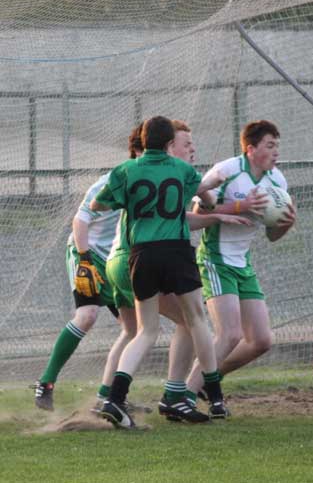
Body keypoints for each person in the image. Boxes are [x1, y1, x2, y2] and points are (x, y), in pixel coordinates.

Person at [95, 119, 250, 423]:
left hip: (140, 254)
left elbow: (101, 205)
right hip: (176, 250)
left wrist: (131, 200)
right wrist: (216, 198)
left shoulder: (126, 170)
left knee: (145, 331)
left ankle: (114, 398)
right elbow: (205, 196)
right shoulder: (181, 170)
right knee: (197, 321)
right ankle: (215, 398)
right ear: (169, 145)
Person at [184, 120, 296, 408]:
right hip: (215, 259)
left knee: (261, 340)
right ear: (250, 149)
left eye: (277, 146)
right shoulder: (227, 171)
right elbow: (197, 214)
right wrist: (239, 206)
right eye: (270, 146)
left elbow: (272, 235)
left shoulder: (277, 182)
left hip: (242, 263)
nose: (276, 152)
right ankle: (182, 395)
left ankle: (209, 380)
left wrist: (287, 223)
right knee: (230, 334)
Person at [33, 126, 146, 411]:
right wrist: (83, 259)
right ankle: (45, 383)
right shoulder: (112, 181)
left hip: (116, 260)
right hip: (89, 253)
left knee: (135, 330)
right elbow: (80, 221)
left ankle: (108, 397)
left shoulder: (151, 183)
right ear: (138, 151)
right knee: (87, 315)